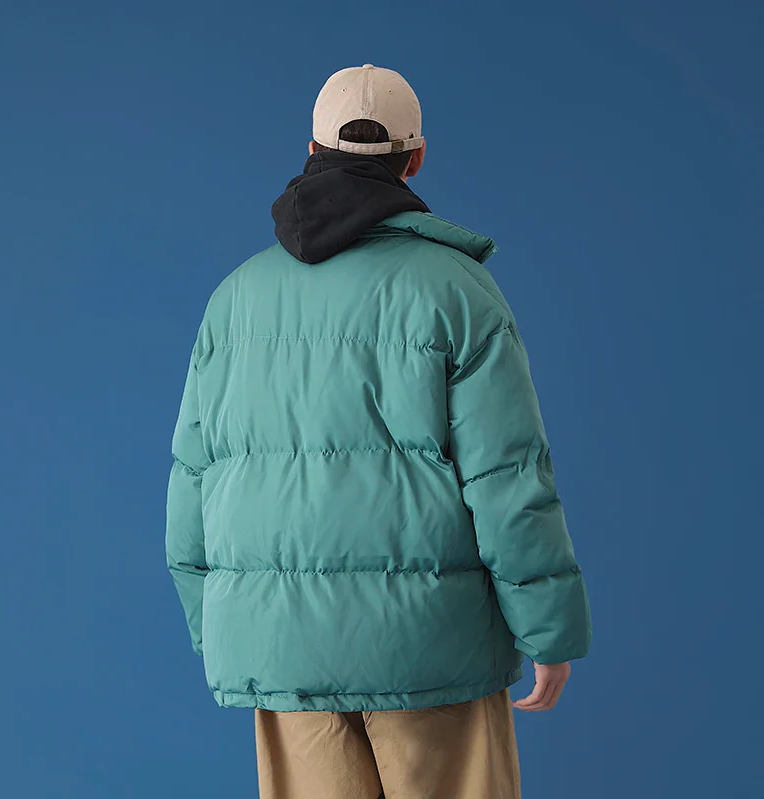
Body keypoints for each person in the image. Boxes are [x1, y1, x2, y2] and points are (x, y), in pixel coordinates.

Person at [165, 63, 592, 799]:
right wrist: (548, 629)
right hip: (432, 647)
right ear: (414, 158)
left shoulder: (234, 298)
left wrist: (223, 628)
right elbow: (507, 477)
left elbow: (192, 478)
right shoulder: (457, 290)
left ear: (311, 150)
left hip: (281, 645)